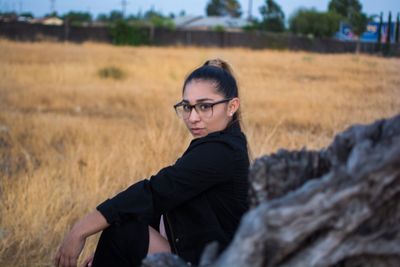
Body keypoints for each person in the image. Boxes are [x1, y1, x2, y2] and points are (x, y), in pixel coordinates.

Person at [54, 59, 250, 267]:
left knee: (125, 232)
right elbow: (170, 202)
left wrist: (80, 230)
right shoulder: (221, 143)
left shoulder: (222, 152)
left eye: (205, 106)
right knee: (126, 232)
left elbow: (154, 192)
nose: (192, 117)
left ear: (232, 106)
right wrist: (117, 253)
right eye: (187, 107)